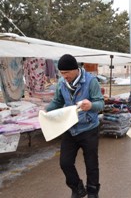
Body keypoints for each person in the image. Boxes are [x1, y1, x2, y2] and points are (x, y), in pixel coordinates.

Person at [46, 54, 104, 198]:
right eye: (62, 73)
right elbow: (57, 101)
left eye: (67, 73)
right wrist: (46, 111)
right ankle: (77, 187)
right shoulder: (61, 83)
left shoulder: (91, 81)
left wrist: (91, 105)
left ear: (75, 69)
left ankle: (92, 191)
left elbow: (100, 103)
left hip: (89, 129)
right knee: (65, 162)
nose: (64, 76)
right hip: (70, 128)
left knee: (91, 164)